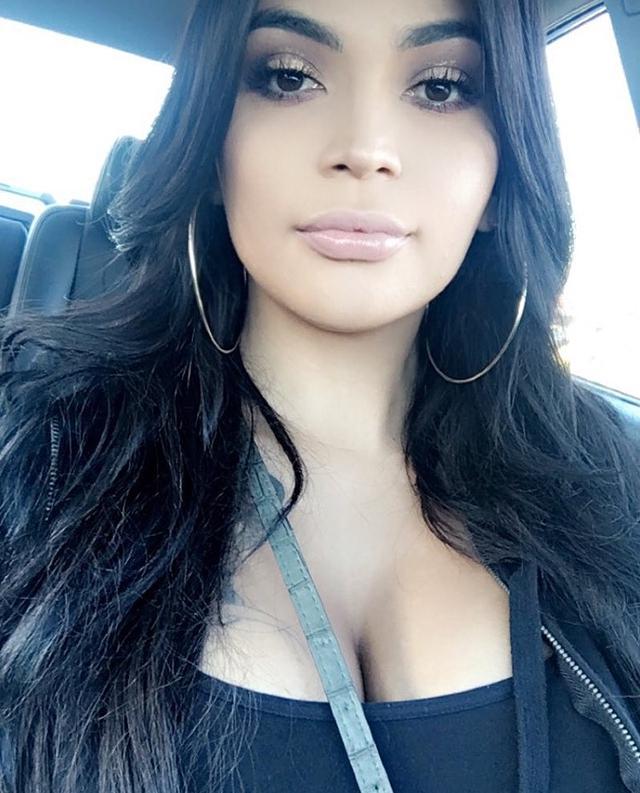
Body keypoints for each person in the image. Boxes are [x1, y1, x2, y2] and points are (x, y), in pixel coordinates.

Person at [1, 0, 639, 791]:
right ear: (211, 141)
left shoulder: (608, 481)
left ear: (506, 163)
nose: (365, 149)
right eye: (288, 77)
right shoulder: (44, 467)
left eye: (441, 87)